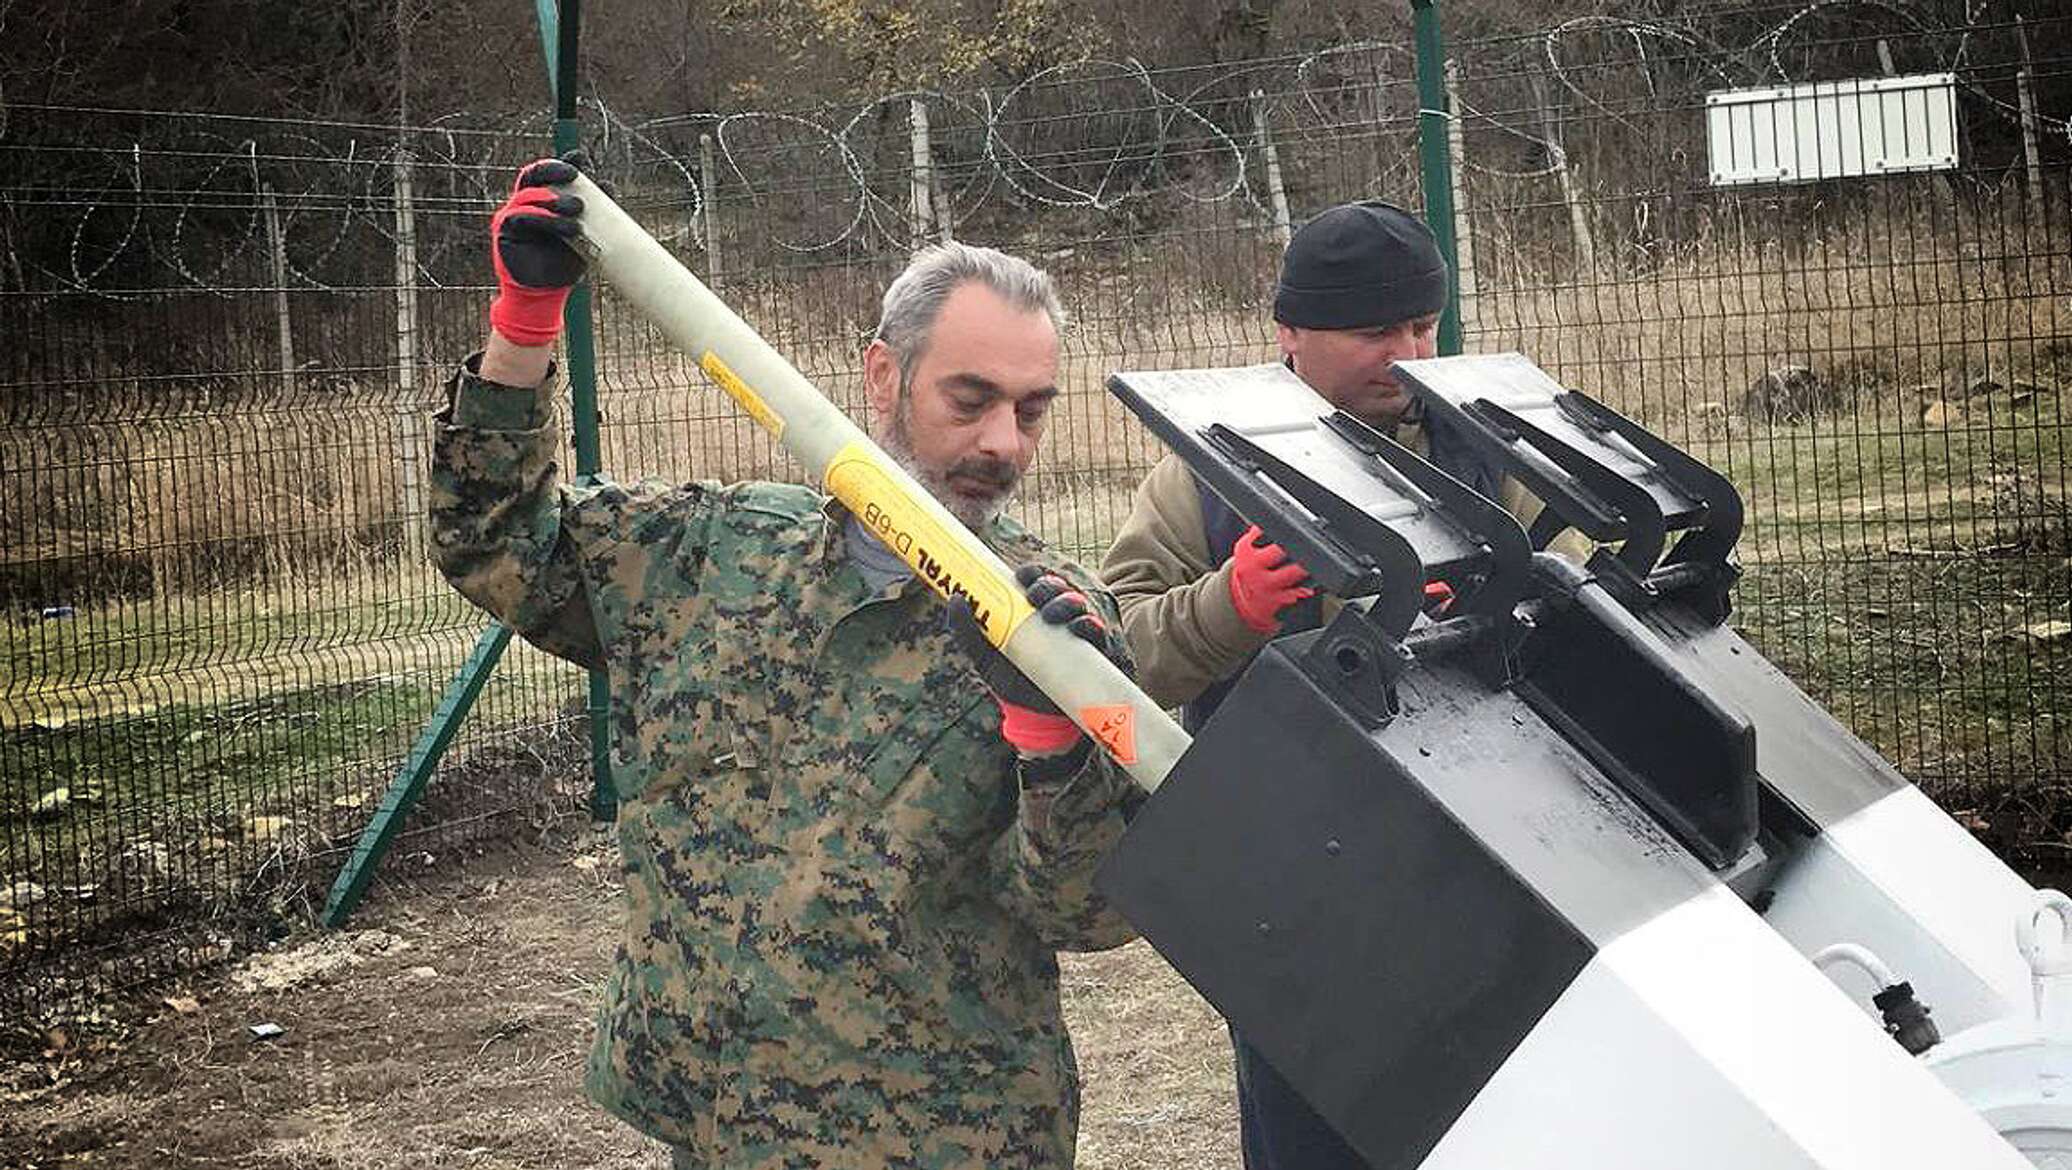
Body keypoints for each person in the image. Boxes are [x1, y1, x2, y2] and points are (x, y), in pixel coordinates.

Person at [433, 158, 1144, 1170]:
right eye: (971, 398)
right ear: (883, 377)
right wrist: (524, 319)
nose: (1003, 442)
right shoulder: (708, 556)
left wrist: (1047, 737)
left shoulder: (1050, 626)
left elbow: (1089, 909)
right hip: (715, 1119)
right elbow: (490, 537)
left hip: (938, 1138)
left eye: (1031, 409)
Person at [1100, 200, 1578, 1170]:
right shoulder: (1202, 477)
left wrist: (1492, 610)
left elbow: (1581, 607)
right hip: (1289, 892)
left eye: (1419, 327)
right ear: (1289, 333)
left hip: (1473, 865)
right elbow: (1114, 661)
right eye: (1372, 332)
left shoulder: (1484, 457)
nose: (1403, 354)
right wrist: (1229, 605)